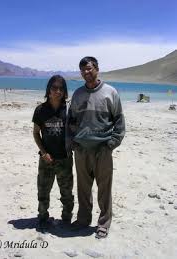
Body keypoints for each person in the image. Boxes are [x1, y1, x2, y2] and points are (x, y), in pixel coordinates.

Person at [67, 57, 125, 238]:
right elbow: (71, 120)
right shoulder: (77, 94)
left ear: (97, 69)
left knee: (104, 188)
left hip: (103, 150)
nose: (86, 72)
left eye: (89, 69)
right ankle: (83, 219)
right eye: (83, 70)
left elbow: (119, 121)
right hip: (82, 150)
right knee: (83, 188)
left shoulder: (110, 92)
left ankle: (103, 223)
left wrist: (111, 144)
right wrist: (73, 143)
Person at [32, 75, 74, 230]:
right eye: (54, 88)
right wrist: (43, 152)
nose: (57, 91)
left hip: (65, 159)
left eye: (61, 88)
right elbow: (36, 133)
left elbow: (76, 130)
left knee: (67, 192)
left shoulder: (69, 110)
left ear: (64, 92)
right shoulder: (40, 110)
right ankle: (43, 217)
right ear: (48, 90)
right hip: (46, 159)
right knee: (43, 191)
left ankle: (66, 218)